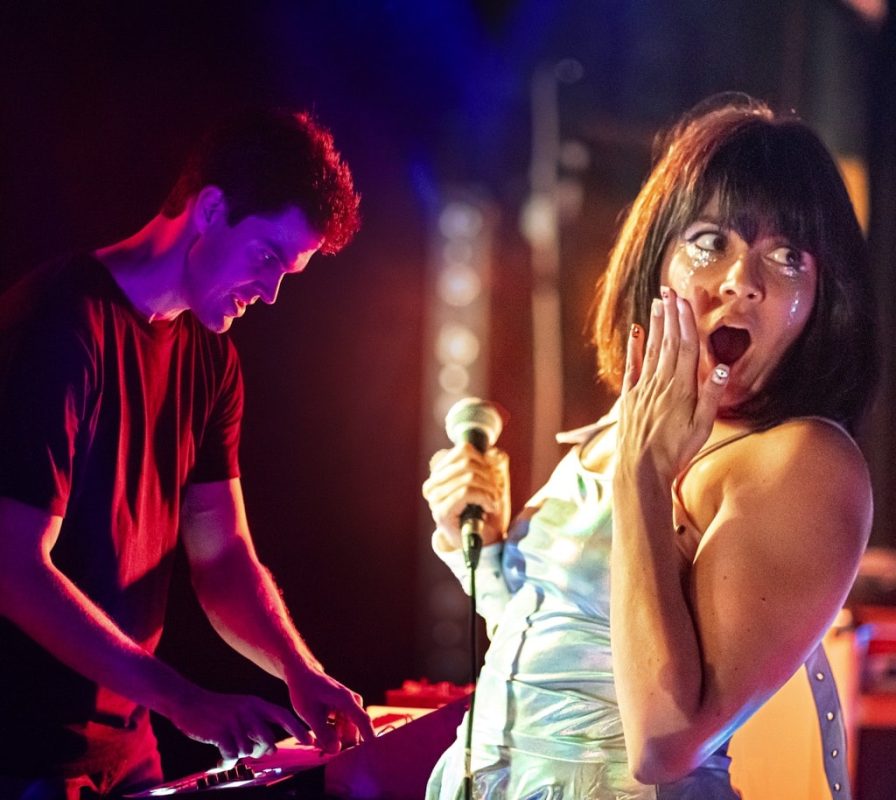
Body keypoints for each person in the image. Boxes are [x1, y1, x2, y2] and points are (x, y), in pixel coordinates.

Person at [422, 95, 877, 799]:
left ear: (825, 298)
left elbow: (665, 742)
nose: (741, 281)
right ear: (656, 260)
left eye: (787, 256)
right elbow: (560, 650)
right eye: (710, 242)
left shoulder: (802, 462)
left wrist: (644, 473)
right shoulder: (631, 424)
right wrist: (472, 545)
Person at [0, 108, 375, 798]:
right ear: (210, 210)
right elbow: (12, 565)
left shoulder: (212, 361)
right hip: (20, 752)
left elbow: (222, 554)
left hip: (126, 745)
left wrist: (299, 669)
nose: (270, 293)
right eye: (268, 257)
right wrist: (184, 700)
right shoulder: (60, 327)